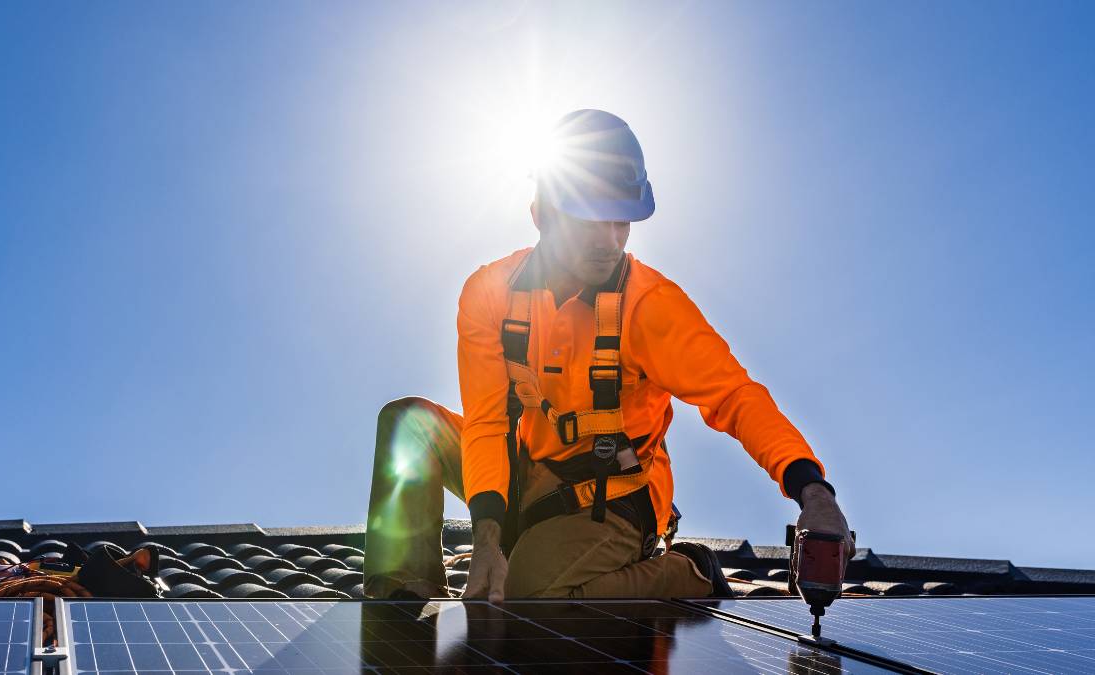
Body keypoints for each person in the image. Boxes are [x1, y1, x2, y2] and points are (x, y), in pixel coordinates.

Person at [364, 109, 853, 601]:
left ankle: (689, 572)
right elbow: (487, 424)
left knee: (529, 597)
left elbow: (734, 396)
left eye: (621, 220)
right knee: (409, 426)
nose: (610, 242)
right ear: (540, 215)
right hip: (524, 477)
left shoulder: (649, 306)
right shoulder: (488, 294)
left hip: (612, 501)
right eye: (588, 221)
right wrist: (488, 535)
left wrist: (812, 490)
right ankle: (404, 613)